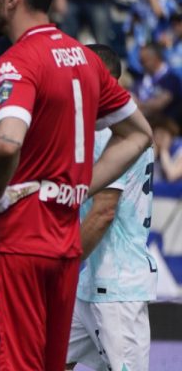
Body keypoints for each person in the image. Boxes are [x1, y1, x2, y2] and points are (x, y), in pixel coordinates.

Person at [0, 0, 153, 371]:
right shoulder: (85, 61)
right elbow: (139, 134)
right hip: (65, 243)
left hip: (15, 241)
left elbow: (5, 143)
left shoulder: (19, 61)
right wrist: (74, 188)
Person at [66, 44, 157, 371]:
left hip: (117, 286)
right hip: (93, 284)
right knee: (46, 357)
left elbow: (104, 211)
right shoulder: (122, 121)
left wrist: (64, 260)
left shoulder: (109, 129)